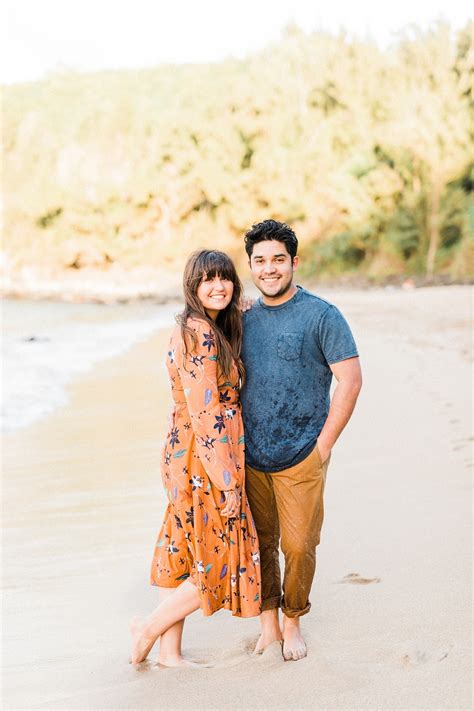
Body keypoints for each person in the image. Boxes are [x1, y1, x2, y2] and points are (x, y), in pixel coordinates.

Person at [130, 250, 261, 666]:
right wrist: (227, 483)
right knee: (219, 556)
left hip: (187, 449)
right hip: (202, 457)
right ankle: (148, 629)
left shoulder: (201, 326)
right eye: (208, 280)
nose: (218, 287)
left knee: (182, 549)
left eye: (225, 279)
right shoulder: (199, 333)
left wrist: (241, 304)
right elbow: (206, 414)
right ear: (192, 286)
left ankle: (170, 653)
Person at [241, 219, 362, 661]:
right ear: (250, 265)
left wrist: (323, 445)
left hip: (302, 454)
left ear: (294, 262)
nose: (269, 268)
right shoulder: (244, 317)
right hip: (251, 455)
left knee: (298, 545)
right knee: (260, 544)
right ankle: (268, 623)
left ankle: (293, 620)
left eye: (278, 260)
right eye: (260, 261)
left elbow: (349, 381)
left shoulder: (322, 315)